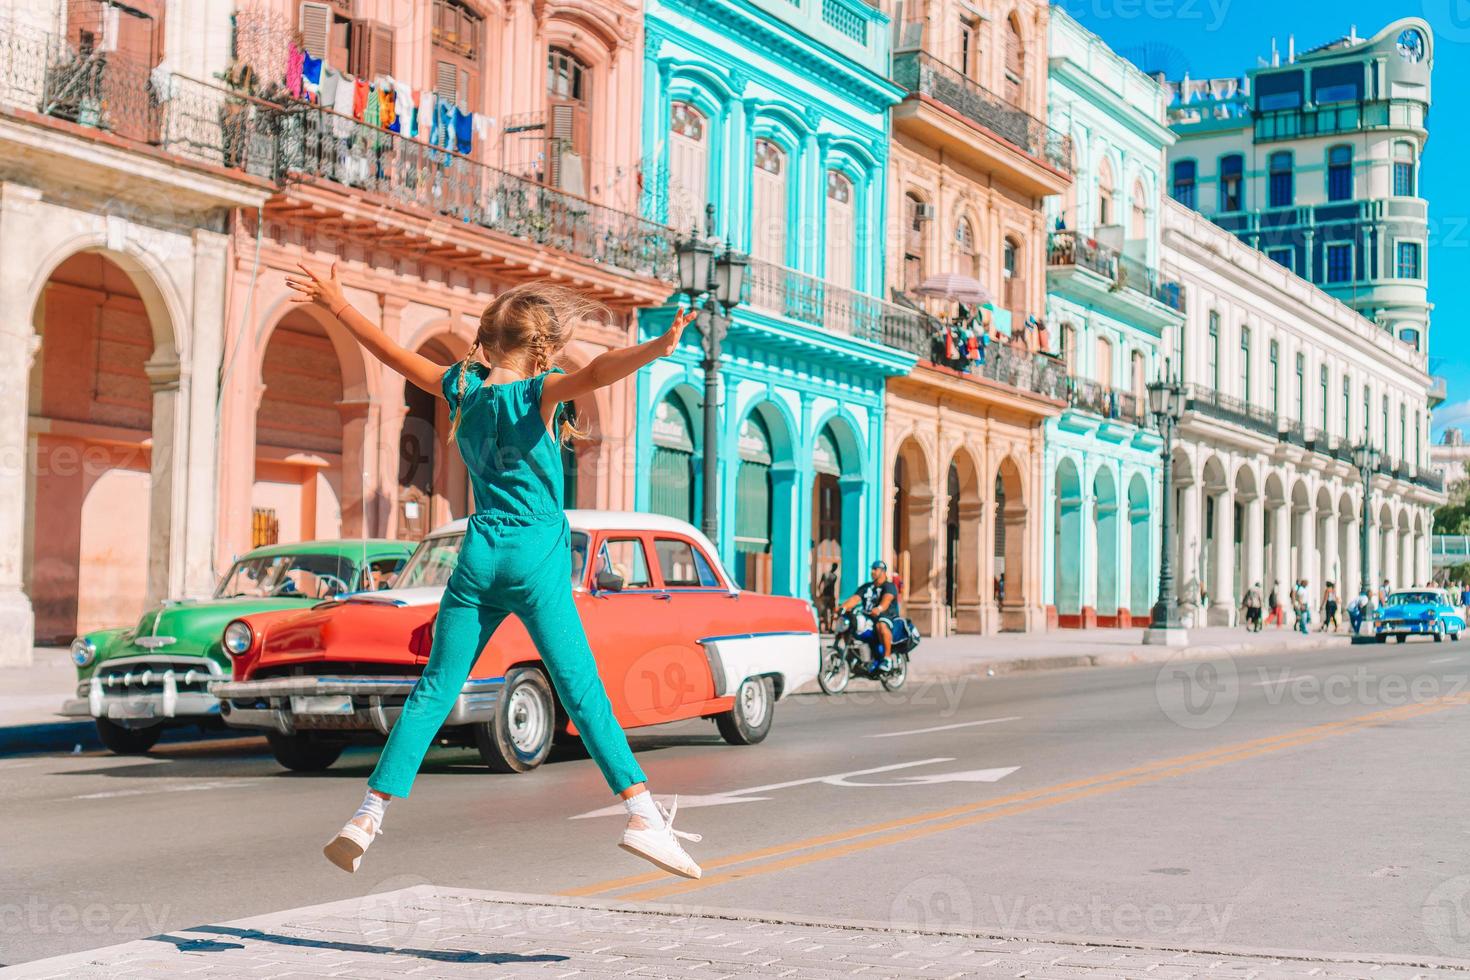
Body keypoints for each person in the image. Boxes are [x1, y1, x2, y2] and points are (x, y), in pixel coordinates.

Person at [286, 264, 705, 880]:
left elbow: (397, 357)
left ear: (489, 339)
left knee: (434, 690)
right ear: (540, 349)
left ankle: (366, 816)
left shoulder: (462, 388)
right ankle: (642, 814)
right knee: (580, 691)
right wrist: (659, 349)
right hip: (534, 555)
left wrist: (341, 304)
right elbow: (598, 372)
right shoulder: (536, 393)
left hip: (478, 552)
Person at [837, 560, 902, 671]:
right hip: (869, 618)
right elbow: (854, 599)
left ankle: (887, 658)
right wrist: (842, 608)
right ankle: (852, 655)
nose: (872, 572)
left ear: (883, 571)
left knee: (881, 625)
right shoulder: (867, 587)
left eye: (875, 569)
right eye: (872, 569)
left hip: (887, 617)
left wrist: (879, 608)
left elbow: (887, 600)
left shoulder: (889, 586)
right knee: (849, 625)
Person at [816, 563, 839, 633]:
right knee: (830, 612)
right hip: (830, 596)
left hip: (825, 595)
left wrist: (820, 593)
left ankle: (828, 627)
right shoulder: (834, 576)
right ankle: (829, 628)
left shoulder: (826, 575)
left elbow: (819, 584)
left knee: (825, 612)